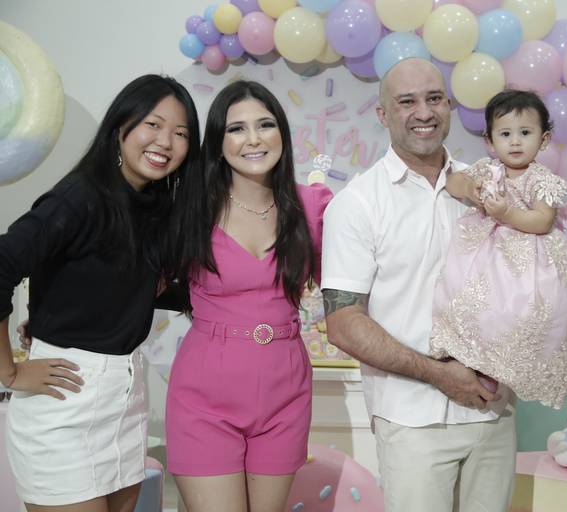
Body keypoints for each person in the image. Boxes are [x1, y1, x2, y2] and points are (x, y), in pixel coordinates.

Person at [321, 58, 517, 512]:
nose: (423, 112)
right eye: (406, 102)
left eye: (434, 99)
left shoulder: (490, 189)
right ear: (383, 114)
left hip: (494, 411)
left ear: (449, 105)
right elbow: (343, 323)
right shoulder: (358, 203)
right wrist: (439, 375)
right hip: (411, 422)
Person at [0, 74, 200, 512]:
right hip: (66, 398)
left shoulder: (155, 207)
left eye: (181, 133)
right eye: (153, 124)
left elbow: (118, 283)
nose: (165, 142)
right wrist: (7, 372)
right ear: (120, 126)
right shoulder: (80, 196)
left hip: (126, 397)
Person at [164, 80, 332, 512]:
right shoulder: (190, 209)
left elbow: (353, 285)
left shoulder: (312, 207)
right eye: (236, 129)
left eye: (265, 125)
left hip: (286, 394)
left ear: (282, 134)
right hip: (204, 397)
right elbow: (133, 279)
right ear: (218, 144)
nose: (253, 139)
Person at [431, 89, 567, 408]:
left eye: (525, 133)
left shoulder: (541, 179)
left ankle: (511, 364)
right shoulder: (487, 170)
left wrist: (506, 212)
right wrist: (470, 187)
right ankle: (474, 355)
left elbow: (542, 221)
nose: (515, 142)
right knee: (470, 296)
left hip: (531, 257)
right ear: (490, 142)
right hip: (488, 252)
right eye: (505, 134)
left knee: (524, 308)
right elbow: (452, 182)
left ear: (544, 140)